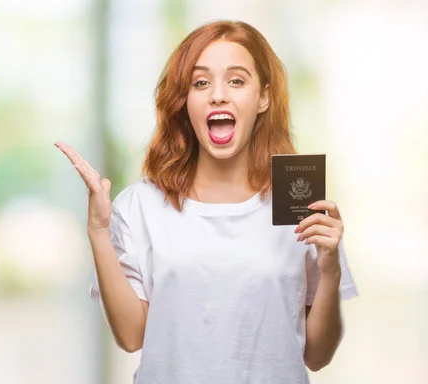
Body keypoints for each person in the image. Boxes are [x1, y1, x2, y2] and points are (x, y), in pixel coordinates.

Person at [55, 19, 358, 384]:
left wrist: (330, 270)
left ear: (262, 96)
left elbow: (319, 356)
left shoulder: (302, 204)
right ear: (185, 102)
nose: (218, 94)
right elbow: (131, 336)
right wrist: (99, 231)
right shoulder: (141, 206)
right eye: (201, 82)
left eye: (236, 80)